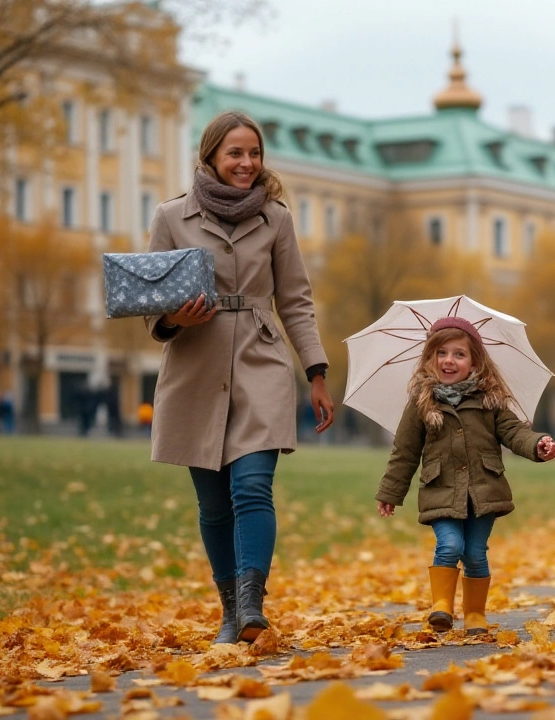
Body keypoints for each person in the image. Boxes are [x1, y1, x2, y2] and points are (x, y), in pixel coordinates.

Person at [144, 110, 335, 645]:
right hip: (194, 366)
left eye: (254, 153)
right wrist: (174, 318)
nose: (247, 163)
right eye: (235, 153)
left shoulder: (276, 218)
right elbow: (148, 303)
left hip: (261, 360)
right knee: (212, 504)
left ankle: (252, 605)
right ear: (210, 157)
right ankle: (230, 609)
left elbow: (295, 299)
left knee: (252, 485)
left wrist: (316, 372)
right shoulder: (171, 217)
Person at [376, 317, 555, 636]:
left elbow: (514, 432)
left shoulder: (490, 399)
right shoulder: (421, 402)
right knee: (448, 545)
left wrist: (537, 444)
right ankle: (441, 607)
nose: (449, 360)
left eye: (459, 354)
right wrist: (391, 492)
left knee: (474, 553)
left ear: (475, 360)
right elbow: (404, 451)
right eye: (441, 352)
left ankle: (474, 613)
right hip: (441, 490)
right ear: (429, 358)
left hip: (483, 491)